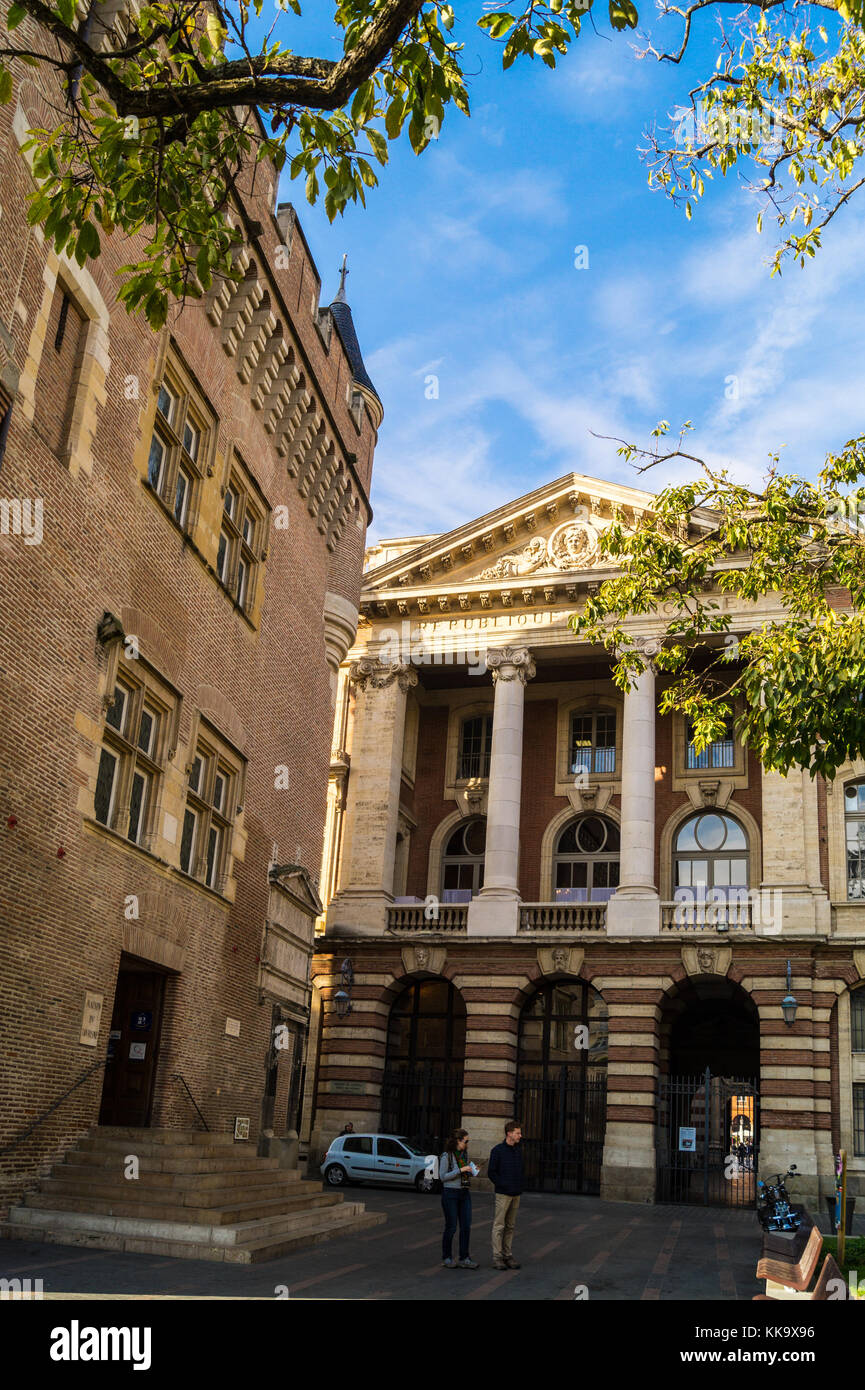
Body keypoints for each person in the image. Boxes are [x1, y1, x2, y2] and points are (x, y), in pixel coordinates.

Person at [439, 1128, 480, 1270]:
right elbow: (442, 1177)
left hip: (464, 1193)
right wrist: (461, 1170)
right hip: (450, 1194)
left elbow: (463, 1174)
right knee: (451, 1227)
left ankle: (464, 1258)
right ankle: (447, 1257)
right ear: (458, 1140)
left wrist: (472, 1171)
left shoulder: (464, 1154)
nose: (467, 1144)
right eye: (466, 1141)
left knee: (466, 1227)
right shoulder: (447, 1156)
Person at [488, 1120, 523, 1271]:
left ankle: (507, 1255)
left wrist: (520, 1185)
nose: (520, 1136)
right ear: (509, 1134)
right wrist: (503, 1185)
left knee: (510, 1226)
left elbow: (521, 1169)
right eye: (518, 1133)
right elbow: (491, 1173)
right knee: (499, 1226)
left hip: (516, 1193)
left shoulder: (518, 1150)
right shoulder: (498, 1150)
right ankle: (497, 1257)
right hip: (503, 1194)